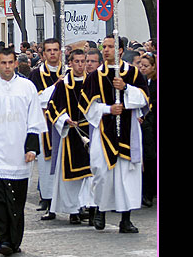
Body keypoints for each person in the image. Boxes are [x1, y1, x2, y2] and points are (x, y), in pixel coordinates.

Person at [0, 46, 48, 257]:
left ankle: (15, 239)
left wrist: (32, 147)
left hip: (19, 151)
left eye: (10, 62)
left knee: (17, 200)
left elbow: (35, 119)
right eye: (2, 63)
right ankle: (4, 239)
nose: (6, 67)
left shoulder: (27, 87)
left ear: (15, 63)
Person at [78, 36, 150, 233]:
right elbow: (87, 106)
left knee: (127, 175)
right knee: (101, 172)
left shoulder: (132, 73)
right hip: (104, 131)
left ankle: (126, 219)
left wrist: (125, 88)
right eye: (104, 47)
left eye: (111, 47)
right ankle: (100, 209)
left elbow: (144, 99)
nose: (106, 50)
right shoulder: (96, 76)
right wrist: (109, 109)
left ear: (119, 50)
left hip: (128, 131)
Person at [46, 49, 95, 224]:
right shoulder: (63, 84)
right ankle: (73, 210)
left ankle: (89, 207)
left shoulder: (93, 82)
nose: (81, 65)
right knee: (71, 177)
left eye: (84, 61)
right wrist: (65, 119)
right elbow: (53, 107)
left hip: (90, 131)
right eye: (77, 61)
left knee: (91, 174)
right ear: (71, 63)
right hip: (71, 133)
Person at [28, 38, 63, 219]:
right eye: (48, 50)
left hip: (65, 125)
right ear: (43, 54)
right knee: (46, 164)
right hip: (45, 123)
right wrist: (56, 86)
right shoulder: (36, 75)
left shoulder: (68, 72)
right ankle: (48, 199)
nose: (52, 54)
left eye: (55, 50)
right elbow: (38, 99)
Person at [138, 52, 157, 207]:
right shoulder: (142, 81)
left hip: (153, 121)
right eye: (141, 65)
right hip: (146, 124)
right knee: (147, 157)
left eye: (146, 66)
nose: (142, 68)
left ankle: (150, 191)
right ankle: (147, 192)